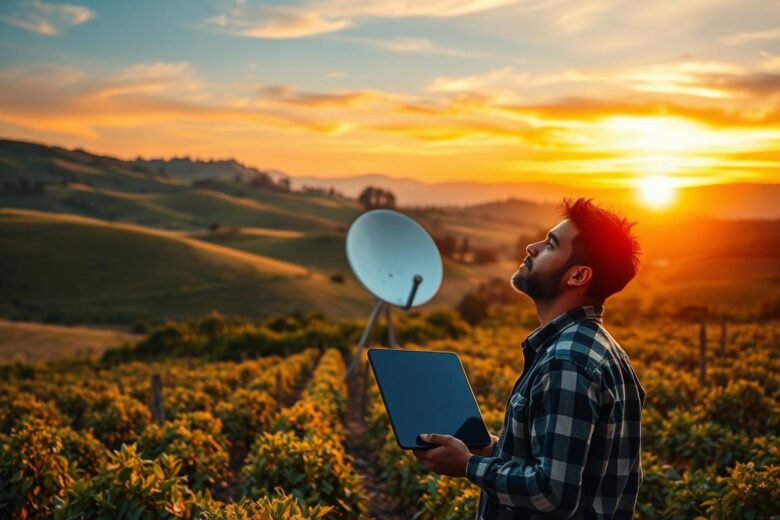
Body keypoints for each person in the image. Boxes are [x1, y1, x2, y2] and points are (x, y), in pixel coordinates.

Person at [412, 198, 645, 519]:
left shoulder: (567, 361)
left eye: (550, 244)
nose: (531, 247)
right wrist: (493, 449)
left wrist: (468, 465)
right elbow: (566, 463)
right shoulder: (601, 349)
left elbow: (552, 494)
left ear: (577, 276)